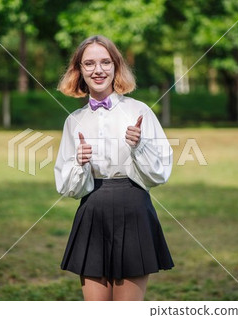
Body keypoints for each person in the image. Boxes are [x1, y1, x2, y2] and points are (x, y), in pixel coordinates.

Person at [54, 35, 174, 301]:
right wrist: (79, 163)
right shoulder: (74, 121)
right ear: (79, 71)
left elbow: (161, 172)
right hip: (91, 212)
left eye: (105, 62)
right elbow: (67, 187)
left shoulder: (139, 111)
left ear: (116, 66)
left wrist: (139, 146)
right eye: (89, 64)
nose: (98, 70)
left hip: (134, 211)